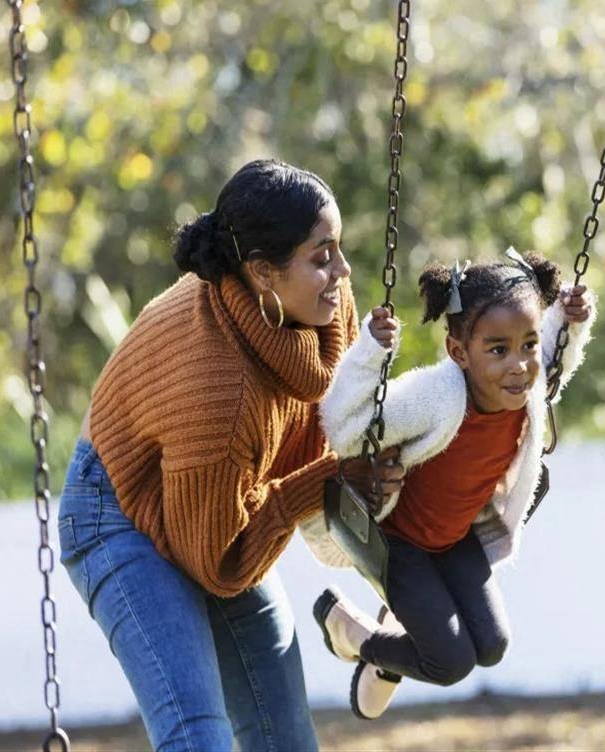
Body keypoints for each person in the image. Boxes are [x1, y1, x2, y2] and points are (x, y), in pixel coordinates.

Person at [57, 159, 404, 752]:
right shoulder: (220, 390)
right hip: (116, 512)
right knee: (198, 736)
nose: (343, 270)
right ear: (263, 273)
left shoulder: (326, 307)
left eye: (338, 249)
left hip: (214, 500)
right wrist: (326, 478)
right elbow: (219, 565)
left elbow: (333, 416)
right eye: (322, 257)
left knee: (285, 734)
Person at [308, 247, 596, 719]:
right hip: (399, 544)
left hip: (455, 538)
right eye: (498, 350)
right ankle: (354, 634)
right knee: (449, 660)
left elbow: (552, 351)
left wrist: (570, 319)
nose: (519, 364)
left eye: (526, 345)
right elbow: (342, 428)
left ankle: (398, 625)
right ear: (459, 352)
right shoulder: (436, 396)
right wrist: (370, 352)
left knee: (493, 644)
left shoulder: (525, 389)